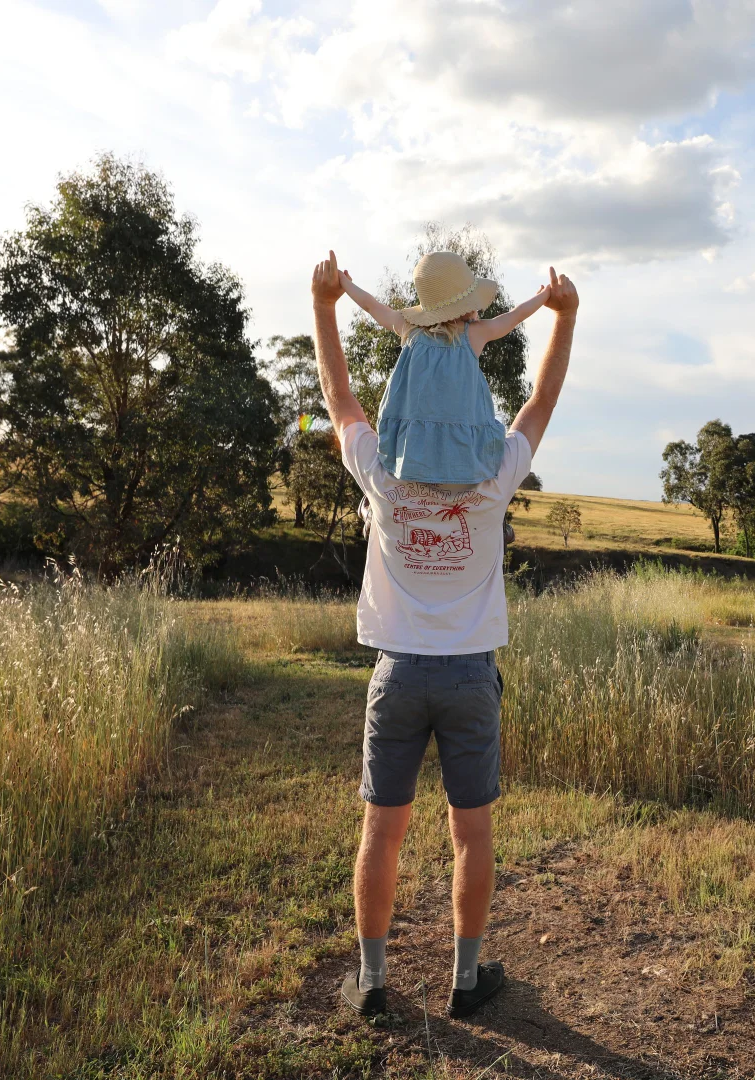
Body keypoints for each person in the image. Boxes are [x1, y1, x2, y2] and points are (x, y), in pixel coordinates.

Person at [308, 250, 577, 1022]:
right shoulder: (494, 478)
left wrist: (326, 304)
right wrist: (565, 318)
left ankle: (372, 983)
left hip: (397, 678)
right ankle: (465, 982)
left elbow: (339, 398)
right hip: (468, 679)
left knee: (381, 832)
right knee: (472, 834)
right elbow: (540, 403)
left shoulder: (380, 481)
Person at [339, 251, 551, 484]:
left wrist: (346, 284)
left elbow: (370, 305)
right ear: (468, 303)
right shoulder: (475, 335)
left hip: (411, 455)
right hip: (464, 458)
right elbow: (515, 316)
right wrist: (544, 296)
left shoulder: (409, 329)